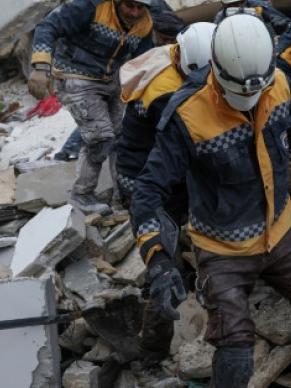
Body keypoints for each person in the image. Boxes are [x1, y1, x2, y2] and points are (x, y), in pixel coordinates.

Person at [129, 13, 291, 387]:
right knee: (236, 348)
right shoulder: (187, 114)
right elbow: (147, 191)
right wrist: (158, 260)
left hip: (280, 234)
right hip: (222, 249)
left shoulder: (279, 83)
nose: (246, 102)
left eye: (253, 94)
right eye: (237, 95)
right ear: (215, 68)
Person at [112, 22, 214, 363]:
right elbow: (198, 143)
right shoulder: (165, 94)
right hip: (146, 182)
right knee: (163, 264)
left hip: (164, 172)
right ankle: (151, 355)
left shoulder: (176, 54)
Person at [28, 0, 154, 214]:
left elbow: (144, 62)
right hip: (74, 74)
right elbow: (47, 26)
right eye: (130, 5)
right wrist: (41, 65)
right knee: (100, 139)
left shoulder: (144, 23)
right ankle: (82, 194)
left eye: (140, 7)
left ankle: (124, 196)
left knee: (125, 137)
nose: (135, 12)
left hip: (111, 78)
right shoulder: (91, 6)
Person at [54, 0, 185, 163]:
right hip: (111, 71)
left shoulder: (159, 16)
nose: (168, 44)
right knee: (104, 115)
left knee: (106, 116)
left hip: (122, 69)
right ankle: (70, 149)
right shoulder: (141, 24)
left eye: (172, 41)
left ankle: (72, 149)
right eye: (165, 39)